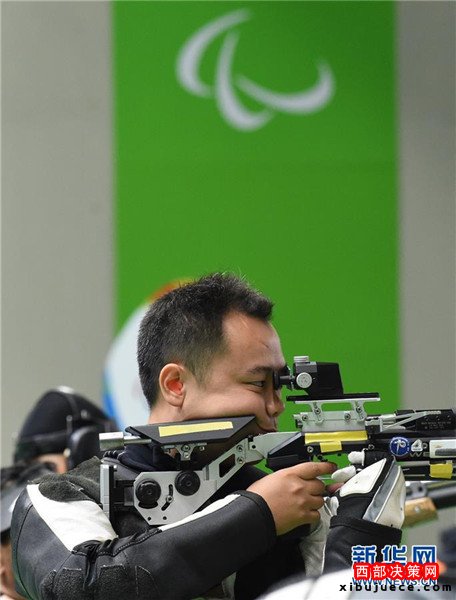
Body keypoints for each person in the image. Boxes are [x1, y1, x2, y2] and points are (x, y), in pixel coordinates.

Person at [11, 273, 404, 600]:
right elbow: (85, 587)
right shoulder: (58, 498)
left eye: (279, 386)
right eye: (257, 383)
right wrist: (258, 515)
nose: (276, 405)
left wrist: (359, 539)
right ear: (175, 384)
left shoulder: (290, 505)